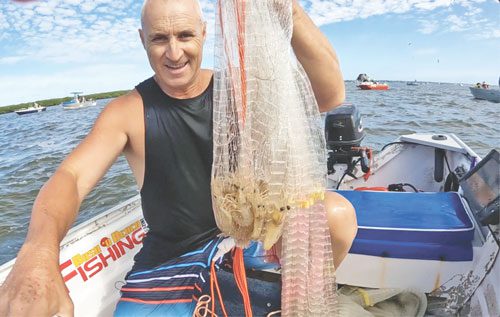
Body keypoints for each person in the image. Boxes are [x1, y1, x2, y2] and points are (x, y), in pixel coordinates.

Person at [0, 0, 356, 316]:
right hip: (168, 262)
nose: (174, 53)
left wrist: (286, 7)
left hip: (243, 240)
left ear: (203, 33)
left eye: (185, 35)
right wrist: (37, 253)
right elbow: (72, 177)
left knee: (337, 216)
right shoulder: (126, 112)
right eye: (159, 39)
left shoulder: (238, 91)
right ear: (142, 40)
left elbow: (329, 94)